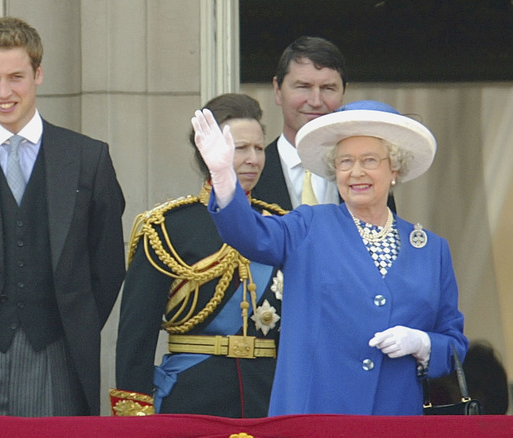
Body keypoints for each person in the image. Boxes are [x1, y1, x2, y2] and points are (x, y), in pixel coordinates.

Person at [191, 99, 468, 415]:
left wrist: (422, 344)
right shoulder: (309, 225)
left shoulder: (432, 250)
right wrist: (223, 176)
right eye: (345, 161)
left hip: (394, 417)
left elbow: (454, 345)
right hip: (316, 414)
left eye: (369, 160)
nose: (356, 172)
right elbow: (250, 235)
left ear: (395, 168)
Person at [0, 16, 126, 417]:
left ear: (38, 74)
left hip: (58, 359)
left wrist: (70, 328)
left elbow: (107, 264)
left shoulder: (88, 158)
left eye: (16, 77)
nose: (3, 92)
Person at [113, 94, 285, 418]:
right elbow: (137, 335)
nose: (252, 159)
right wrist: (135, 418)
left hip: (268, 399)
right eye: (240, 148)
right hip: (192, 397)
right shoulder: (167, 228)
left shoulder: (279, 225)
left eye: (259, 149)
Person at [251, 36, 345, 209]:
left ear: (343, 94)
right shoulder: (251, 174)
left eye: (328, 88)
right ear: (277, 90)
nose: (316, 101)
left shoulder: (364, 176)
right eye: (303, 87)